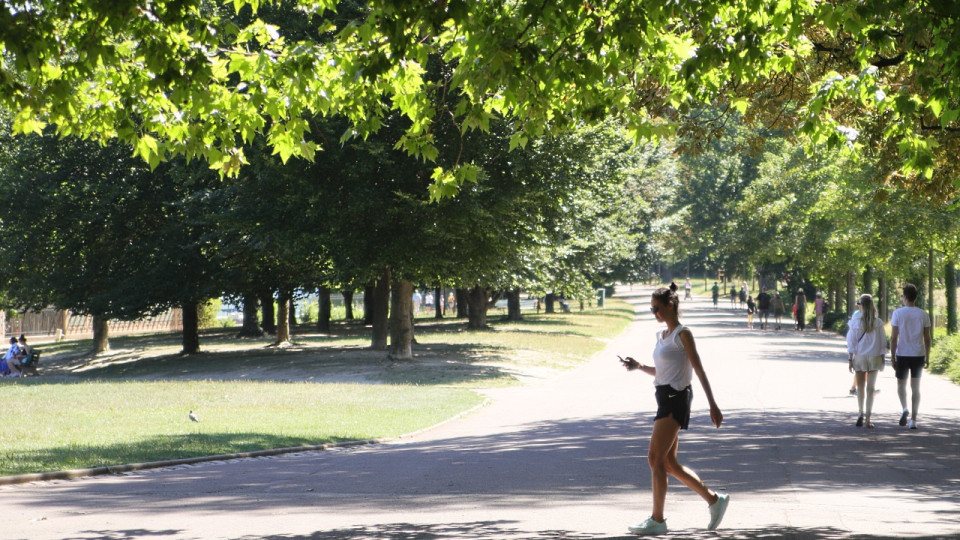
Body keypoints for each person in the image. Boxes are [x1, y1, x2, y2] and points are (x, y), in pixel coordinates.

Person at [619, 284, 729, 535]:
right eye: (651, 309)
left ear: (671, 305)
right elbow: (662, 371)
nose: (654, 313)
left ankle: (657, 520)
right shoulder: (662, 336)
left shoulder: (683, 334)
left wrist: (713, 404)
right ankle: (714, 499)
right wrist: (639, 366)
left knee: (654, 458)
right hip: (663, 396)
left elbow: (699, 370)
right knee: (669, 463)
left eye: (657, 308)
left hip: (676, 398)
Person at [890, 283, 931, 430]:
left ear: (905, 296)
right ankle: (914, 419)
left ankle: (904, 408)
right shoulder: (923, 314)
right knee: (916, 387)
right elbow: (927, 338)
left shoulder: (898, 314)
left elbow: (894, 337)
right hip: (918, 354)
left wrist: (892, 356)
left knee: (901, 384)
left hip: (902, 353)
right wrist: (928, 356)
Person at [846, 294, 886, 428]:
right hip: (874, 357)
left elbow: (851, 342)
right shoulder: (878, 323)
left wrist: (850, 358)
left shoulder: (855, 323)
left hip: (860, 357)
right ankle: (868, 418)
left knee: (861, 388)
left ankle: (860, 413)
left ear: (860, 306)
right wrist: (882, 357)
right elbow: (882, 342)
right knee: (871, 389)